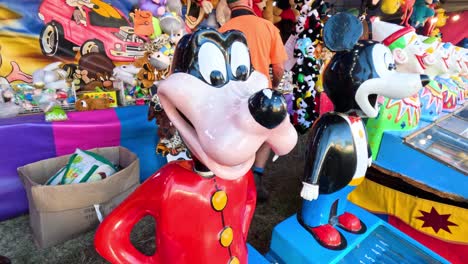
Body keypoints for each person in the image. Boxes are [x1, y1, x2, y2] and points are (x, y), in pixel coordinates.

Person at [219, 0, 288, 202]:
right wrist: (273, 86)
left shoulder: (222, 29)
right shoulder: (268, 27)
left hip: (231, 95)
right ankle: (256, 176)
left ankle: (234, 178)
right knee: (266, 134)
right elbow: (279, 69)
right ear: (250, 2)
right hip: (261, 94)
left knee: (236, 135)